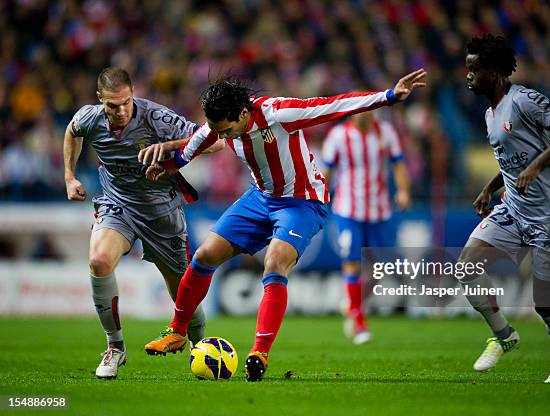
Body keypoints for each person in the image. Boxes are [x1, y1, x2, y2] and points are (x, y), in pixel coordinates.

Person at [139, 69, 427, 381]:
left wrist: (387, 96)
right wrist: (169, 165)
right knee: (205, 255)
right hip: (260, 198)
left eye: (226, 130)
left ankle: (259, 353)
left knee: (275, 262)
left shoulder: (279, 113)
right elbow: (196, 143)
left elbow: (334, 105)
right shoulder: (219, 124)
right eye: (218, 131)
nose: (222, 137)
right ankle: (177, 331)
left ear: (241, 113)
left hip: (302, 202)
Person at [63, 67, 224, 379]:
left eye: (126, 102)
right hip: (117, 205)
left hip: (161, 210)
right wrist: (69, 176)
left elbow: (215, 142)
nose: (121, 110)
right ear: (100, 100)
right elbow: (72, 131)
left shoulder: (157, 118)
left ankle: (200, 344)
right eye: (112, 105)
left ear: (133, 93)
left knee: (182, 289)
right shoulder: (89, 118)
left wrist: (168, 149)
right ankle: (115, 347)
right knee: (98, 261)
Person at [460, 34, 550, 383]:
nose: (468, 76)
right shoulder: (489, 114)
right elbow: (512, 163)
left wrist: (536, 167)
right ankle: (503, 335)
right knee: (467, 267)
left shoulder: (525, 99)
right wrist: (489, 188)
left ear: (496, 71)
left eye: (474, 69)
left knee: (544, 302)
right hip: (513, 209)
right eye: (467, 69)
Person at [321, 111, 410, 344]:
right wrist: (318, 199)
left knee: (380, 269)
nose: (368, 114)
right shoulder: (339, 135)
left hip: (379, 211)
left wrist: (403, 190)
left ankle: (354, 303)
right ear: (354, 113)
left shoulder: (385, 132)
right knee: (352, 263)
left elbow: (399, 164)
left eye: (371, 109)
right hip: (348, 210)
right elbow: (327, 171)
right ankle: (359, 321)